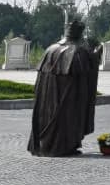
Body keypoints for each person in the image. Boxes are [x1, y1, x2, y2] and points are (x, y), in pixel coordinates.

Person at [28, 20, 102, 156]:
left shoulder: (50, 49)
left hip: (46, 98)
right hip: (68, 96)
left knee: (52, 116)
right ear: (79, 35)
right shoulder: (78, 51)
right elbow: (87, 72)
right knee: (68, 117)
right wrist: (95, 57)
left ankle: (46, 146)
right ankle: (64, 146)